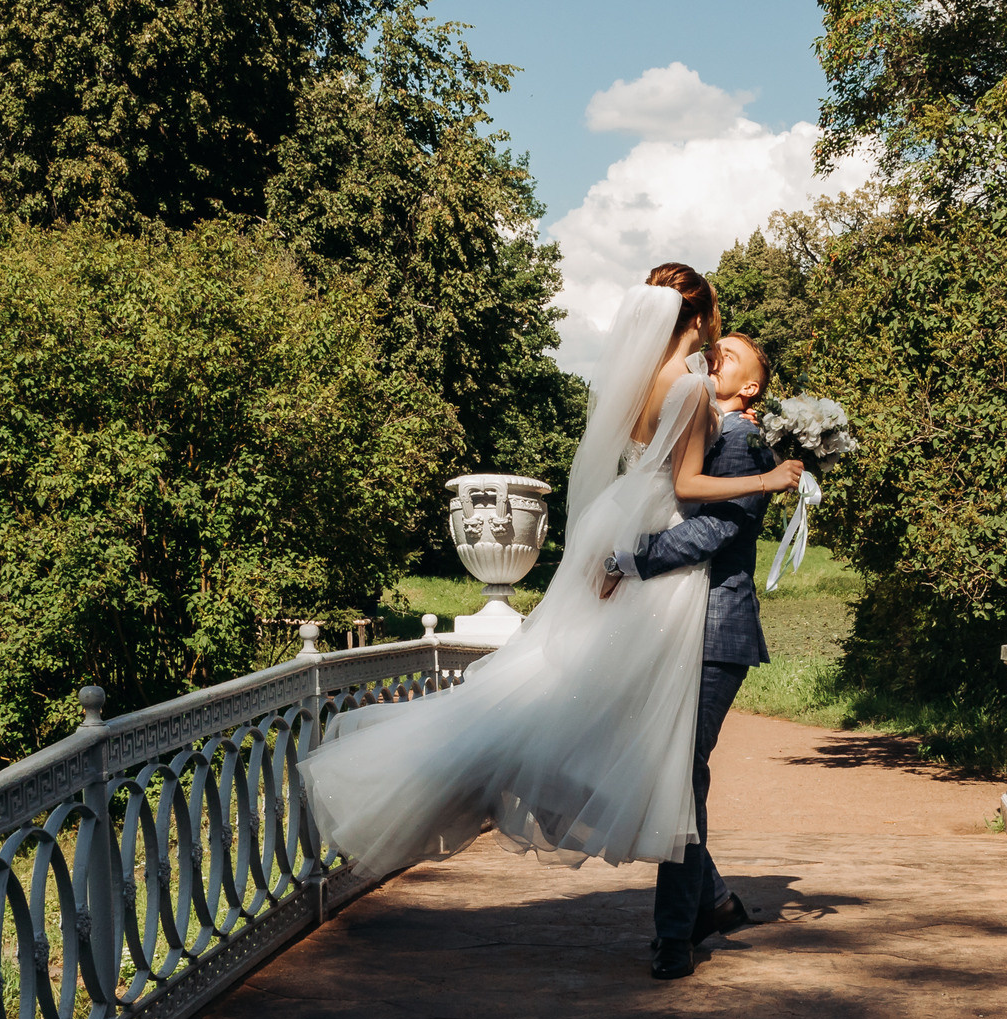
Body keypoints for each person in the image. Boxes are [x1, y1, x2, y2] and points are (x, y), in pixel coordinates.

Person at [300, 265, 801, 893]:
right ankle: (603, 817)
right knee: (640, 733)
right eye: (714, 326)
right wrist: (766, 477)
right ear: (696, 319)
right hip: (658, 544)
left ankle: (660, 862)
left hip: (621, 523)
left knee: (572, 687)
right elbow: (684, 486)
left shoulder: (637, 382)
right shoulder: (694, 389)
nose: (717, 341)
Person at [613, 331, 778, 980]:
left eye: (731, 355)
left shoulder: (743, 439)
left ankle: (673, 935)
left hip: (716, 631)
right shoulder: (709, 429)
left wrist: (632, 560)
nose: (717, 356)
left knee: (678, 777)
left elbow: (717, 528)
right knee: (677, 775)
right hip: (682, 627)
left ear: (752, 388)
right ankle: (711, 900)